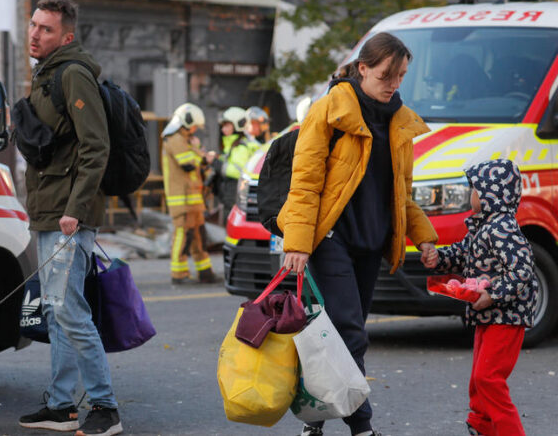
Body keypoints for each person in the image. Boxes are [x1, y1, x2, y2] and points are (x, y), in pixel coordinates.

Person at [277, 32, 438, 436]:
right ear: (362, 68)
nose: (394, 84)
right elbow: (306, 183)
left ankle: (313, 419)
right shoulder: (329, 111)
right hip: (332, 240)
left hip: (371, 243)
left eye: (400, 76)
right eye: (387, 75)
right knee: (351, 332)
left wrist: (425, 237)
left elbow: (402, 191)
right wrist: (296, 243)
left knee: (331, 336)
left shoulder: (399, 121)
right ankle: (361, 427)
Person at [17, 0, 122, 436]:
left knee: (70, 310)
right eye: (34, 25)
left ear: (66, 36)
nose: (36, 34)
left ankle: (105, 407)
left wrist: (75, 211)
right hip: (50, 211)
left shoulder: (73, 75)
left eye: (46, 29)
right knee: (58, 311)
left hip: (67, 215)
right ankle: (61, 406)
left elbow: (96, 147)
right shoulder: (47, 75)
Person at [423, 159, 535, 436]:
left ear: (489, 195)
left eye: (473, 189)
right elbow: (460, 255)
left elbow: (522, 270)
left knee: (489, 378)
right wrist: (438, 258)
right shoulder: (482, 227)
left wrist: (493, 294)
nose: (470, 194)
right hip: (488, 313)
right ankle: (481, 424)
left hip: (507, 316)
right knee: (479, 378)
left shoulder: (502, 228)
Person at [161, 102, 219, 284]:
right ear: (186, 121)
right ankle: (178, 274)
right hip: (182, 201)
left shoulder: (187, 141)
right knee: (182, 236)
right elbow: (186, 163)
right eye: (194, 126)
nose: (195, 129)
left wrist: (200, 155)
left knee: (198, 236)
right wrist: (202, 155)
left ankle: (205, 272)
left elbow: (199, 166)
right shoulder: (174, 139)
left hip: (193, 200)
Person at [212, 106, 258, 214]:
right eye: (222, 126)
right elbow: (231, 163)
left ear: (238, 124)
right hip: (230, 197)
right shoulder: (233, 145)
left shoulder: (241, 147)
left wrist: (216, 163)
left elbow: (238, 171)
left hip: (235, 198)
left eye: (227, 125)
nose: (223, 129)